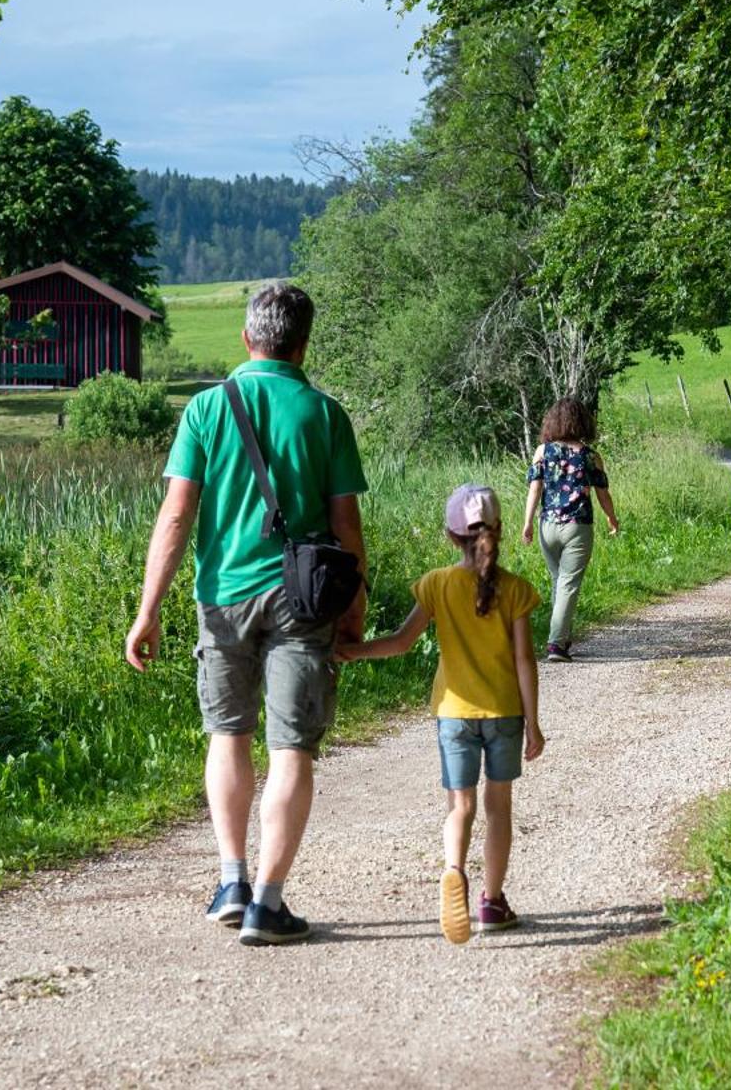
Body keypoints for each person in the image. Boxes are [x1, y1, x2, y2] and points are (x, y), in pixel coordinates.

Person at [124, 282, 368, 946]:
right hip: (303, 599)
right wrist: (355, 609)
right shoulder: (323, 413)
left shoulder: (205, 409)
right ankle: (267, 900)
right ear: (303, 341)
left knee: (226, 733)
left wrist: (148, 610)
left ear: (247, 338)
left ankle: (231, 878)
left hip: (221, 596)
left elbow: (177, 514)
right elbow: (347, 524)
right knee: (293, 745)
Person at [338, 484, 545, 944]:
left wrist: (353, 651)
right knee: (498, 807)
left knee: (461, 805)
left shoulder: (436, 584)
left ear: (452, 536)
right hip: (505, 714)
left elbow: (401, 641)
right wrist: (533, 723)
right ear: (501, 530)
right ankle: (492, 902)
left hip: (454, 714)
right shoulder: (516, 590)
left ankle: (453, 869)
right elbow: (524, 662)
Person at [520, 397, 620, 661]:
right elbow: (603, 494)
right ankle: (555, 644)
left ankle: (561, 639)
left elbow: (534, 489)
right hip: (577, 526)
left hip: (547, 527)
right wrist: (612, 518)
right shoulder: (590, 456)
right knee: (568, 584)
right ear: (582, 422)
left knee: (559, 581)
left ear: (553, 422)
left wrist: (528, 522)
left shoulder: (542, 451)